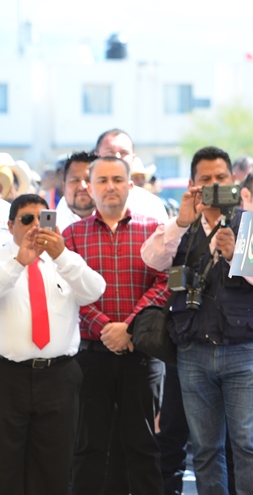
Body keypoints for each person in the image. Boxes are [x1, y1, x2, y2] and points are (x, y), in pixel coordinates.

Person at [141, 146, 253, 495]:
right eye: (205, 179)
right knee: (205, 449)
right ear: (192, 184)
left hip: (246, 350)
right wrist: (181, 221)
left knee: (248, 445)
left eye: (221, 177)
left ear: (234, 181)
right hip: (193, 351)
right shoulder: (181, 226)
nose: (214, 185)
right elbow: (151, 259)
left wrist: (236, 254)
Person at [65, 156, 169, 495]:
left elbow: (165, 282)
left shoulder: (154, 230)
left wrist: (129, 327)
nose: (110, 186)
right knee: (89, 447)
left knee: (143, 446)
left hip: (142, 353)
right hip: (90, 356)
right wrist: (105, 328)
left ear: (130, 185)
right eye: (102, 180)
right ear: (90, 187)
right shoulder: (72, 235)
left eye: (117, 179)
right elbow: (67, 291)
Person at [0, 194, 105, 495]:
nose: (36, 225)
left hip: (58, 376)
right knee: (5, 465)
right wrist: (19, 263)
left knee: (54, 466)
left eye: (42, 219)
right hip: (9, 376)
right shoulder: (4, 259)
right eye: (26, 219)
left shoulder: (65, 261)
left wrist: (62, 256)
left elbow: (95, 290)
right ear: (11, 225)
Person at [57, 130, 168, 229]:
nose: (117, 157)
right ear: (96, 156)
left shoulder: (151, 204)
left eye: (124, 153)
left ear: (133, 158)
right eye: (109, 152)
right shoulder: (71, 201)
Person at [58, 151, 97, 230]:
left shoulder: (118, 223)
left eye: (89, 180)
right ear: (63, 187)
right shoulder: (49, 226)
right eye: (75, 180)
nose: (82, 187)